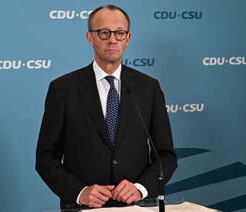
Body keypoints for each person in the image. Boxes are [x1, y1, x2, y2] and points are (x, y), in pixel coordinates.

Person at [35, 4, 177, 210]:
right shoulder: (63, 89)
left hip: (136, 206)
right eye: (104, 33)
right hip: (83, 208)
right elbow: (46, 159)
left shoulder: (149, 88)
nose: (112, 40)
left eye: (119, 33)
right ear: (89, 38)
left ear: (127, 39)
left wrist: (140, 188)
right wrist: (80, 192)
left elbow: (166, 156)